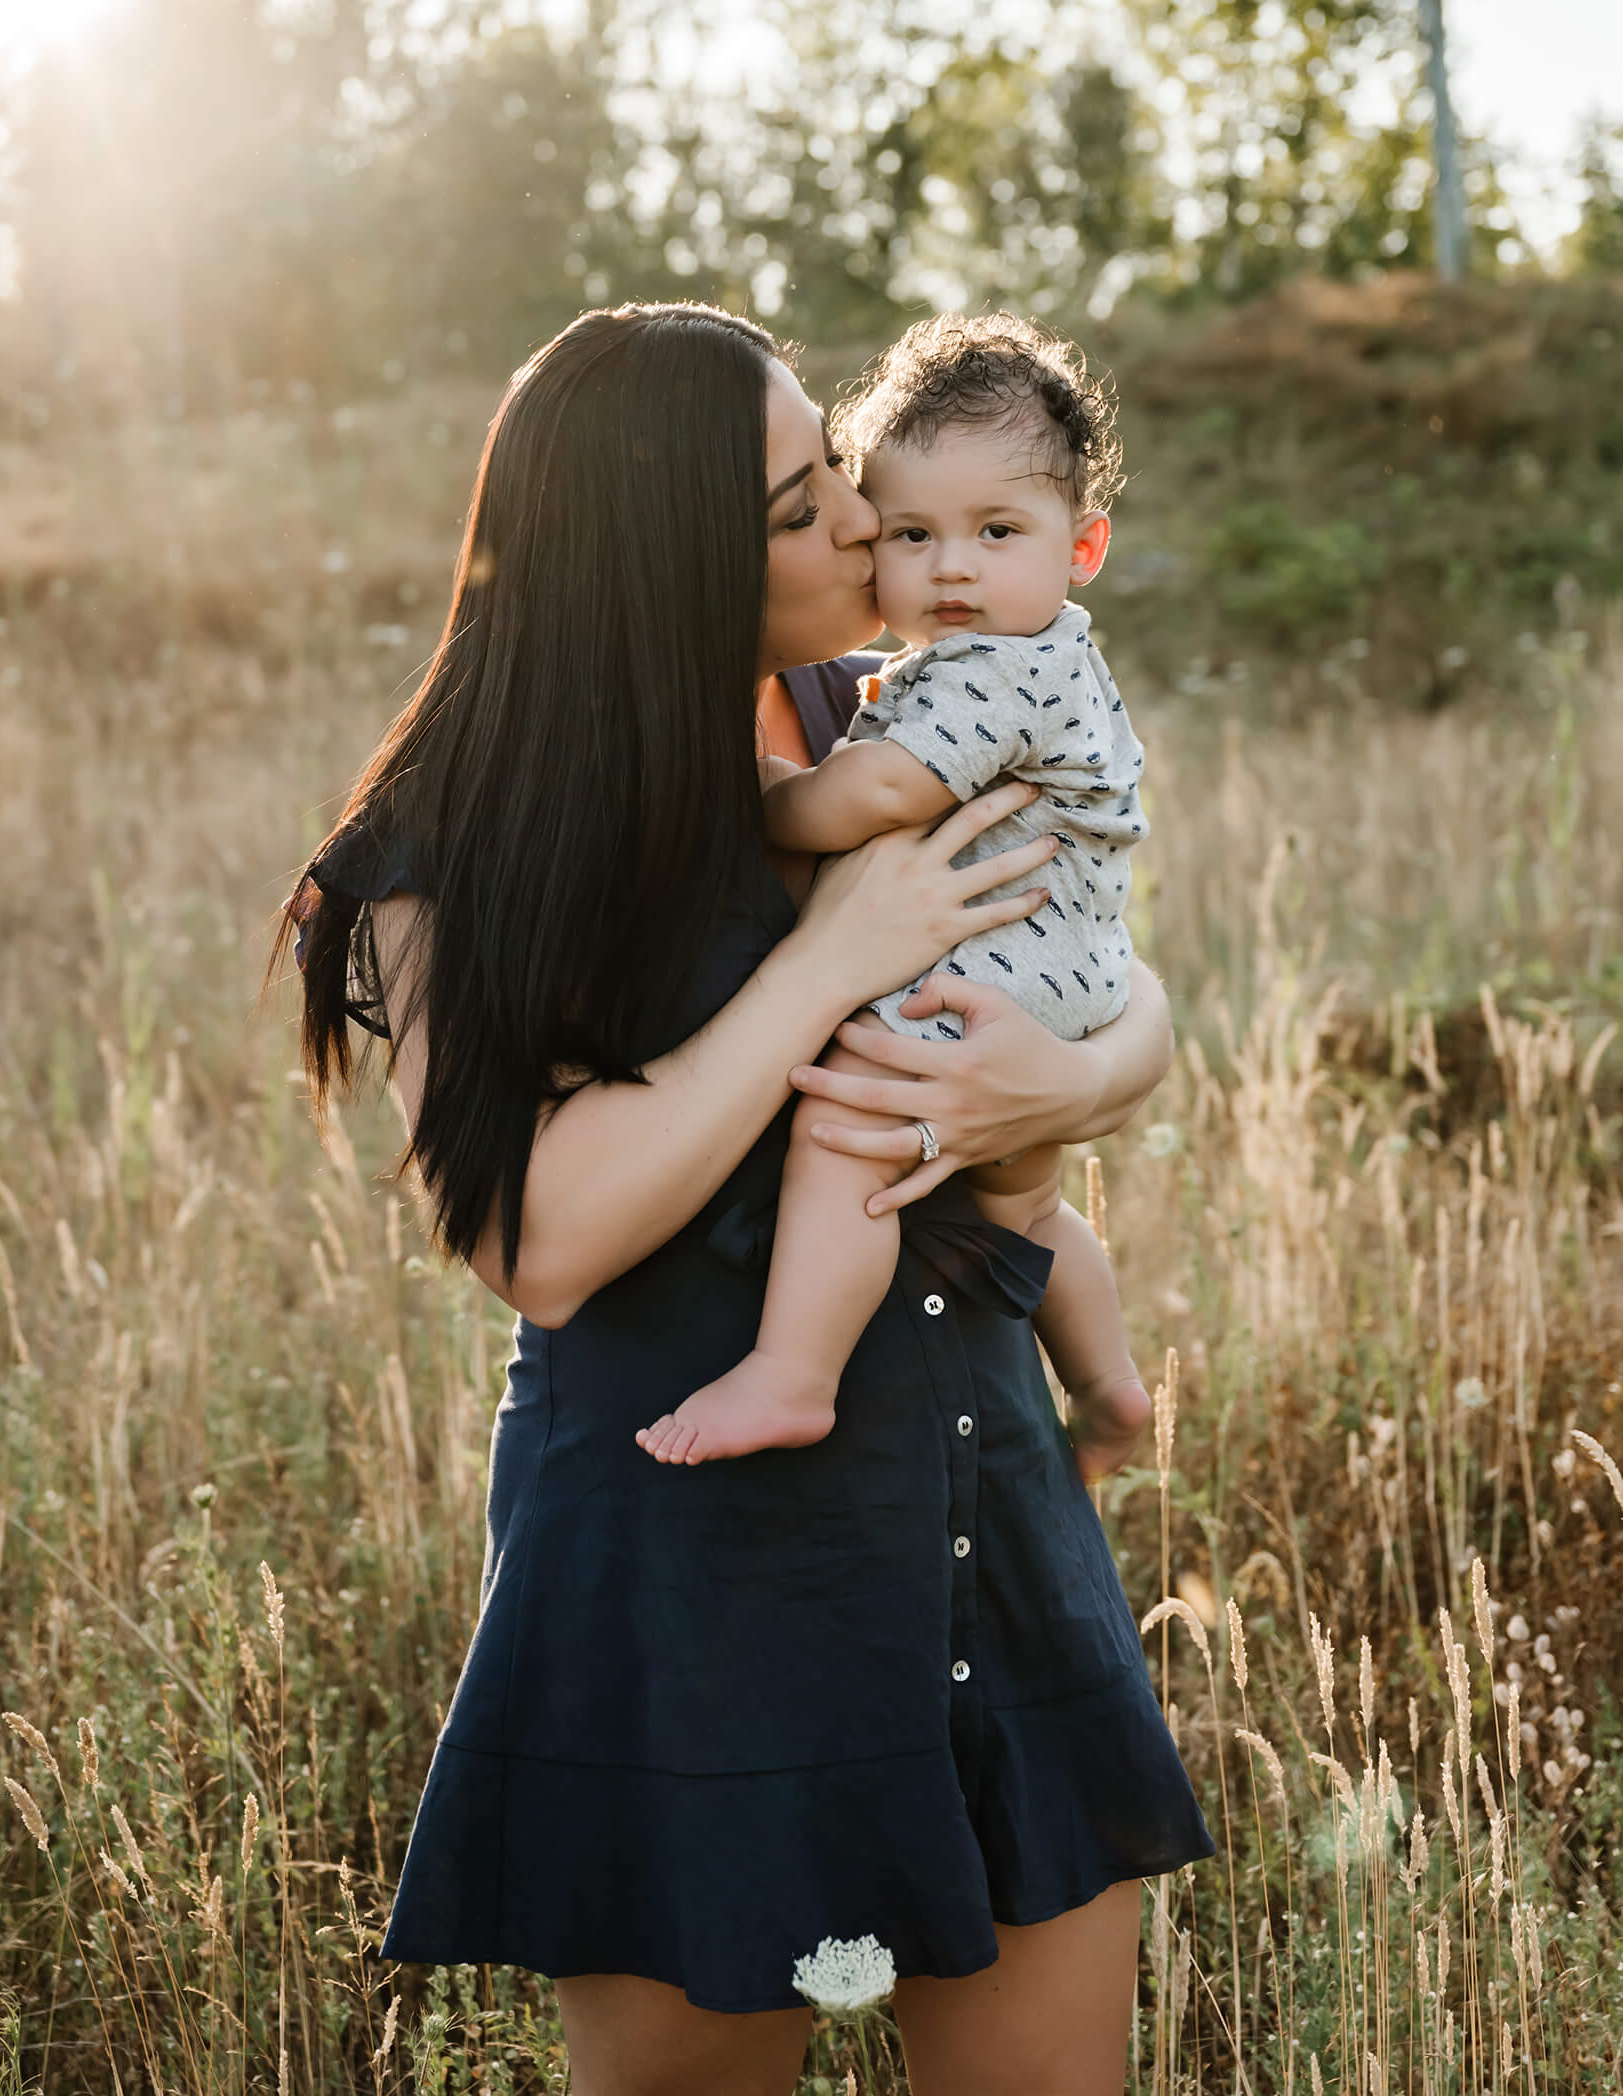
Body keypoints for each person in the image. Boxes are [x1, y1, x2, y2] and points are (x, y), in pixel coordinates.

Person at [283, 302, 1211, 2096]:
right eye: (810, 509)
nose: (871, 532)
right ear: (665, 566)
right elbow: (535, 1243)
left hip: (975, 1507)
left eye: (836, 483)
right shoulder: (442, 853)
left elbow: (1102, 967)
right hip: (691, 1578)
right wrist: (819, 969)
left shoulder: (888, 715)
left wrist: (1079, 1081)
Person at [639, 315, 1152, 1479]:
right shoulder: (1009, 656)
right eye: (914, 532)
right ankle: (1112, 1385)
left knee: (844, 1123)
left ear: (1084, 547)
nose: (951, 565)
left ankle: (793, 1375)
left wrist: (760, 792)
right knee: (1018, 1209)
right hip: (1066, 961)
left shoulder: (1002, 675)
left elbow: (872, 791)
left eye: (996, 531)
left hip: (1011, 961)